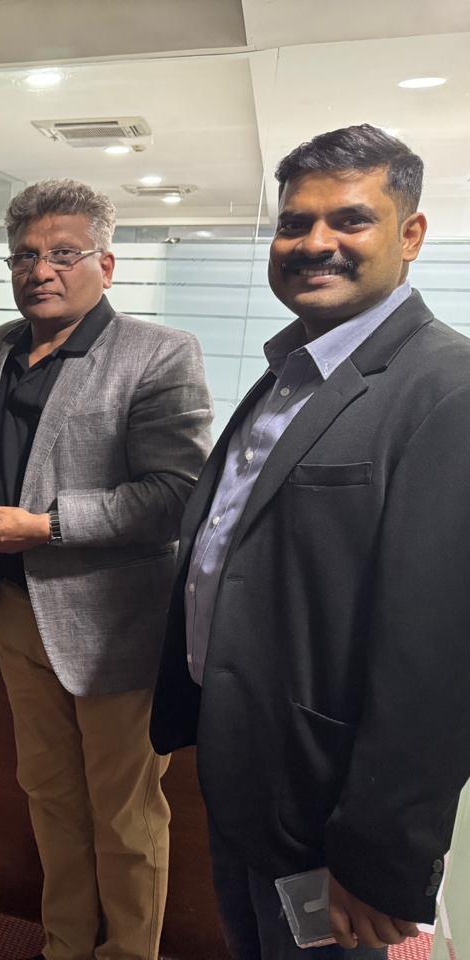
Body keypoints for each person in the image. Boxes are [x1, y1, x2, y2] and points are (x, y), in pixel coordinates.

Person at [151, 124, 470, 959]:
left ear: (410, 234)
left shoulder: (448, 390)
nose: (315, 242)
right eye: (295, 223)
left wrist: (383, 857)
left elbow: (438, 662)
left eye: (350, 219)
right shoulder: (293, 368)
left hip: (329, 802)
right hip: (249, 764)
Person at [0, 179, 212, 960]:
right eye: (24, 256)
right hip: (15, 609)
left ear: (106, 264)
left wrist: (49, 526)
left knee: (126, 814)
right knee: (50, 796)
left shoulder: (158, 353)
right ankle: (65, 945)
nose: (41, 271)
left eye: (63, 254)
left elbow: (178, 494)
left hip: (114, 625)